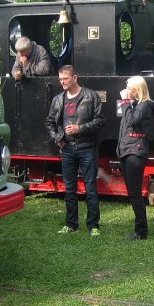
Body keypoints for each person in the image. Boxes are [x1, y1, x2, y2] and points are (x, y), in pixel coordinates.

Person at [45, 65, 105, 237]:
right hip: (68, 149)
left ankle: (93, 225)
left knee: (91, 188)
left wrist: (80, 128)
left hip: (87, 147)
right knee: (69, 189)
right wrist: (58, 138)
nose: (62, 82)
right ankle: (71, 224)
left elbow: (100, 120)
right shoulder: (58, 99)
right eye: (60, 79)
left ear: (74, 78)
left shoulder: (90, 96)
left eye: (65, 79)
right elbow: (49, 122)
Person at [117, 76, 154, 240]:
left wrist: (125, 101)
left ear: (137, 89)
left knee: (135, 193)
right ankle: (140, 227)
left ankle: (141, 231)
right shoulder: (134, 105)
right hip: (126, 150)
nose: (126, 90)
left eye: (129, 88)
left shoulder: (145, 105)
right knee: (132, 193)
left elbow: (132, 120)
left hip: (135, 152)